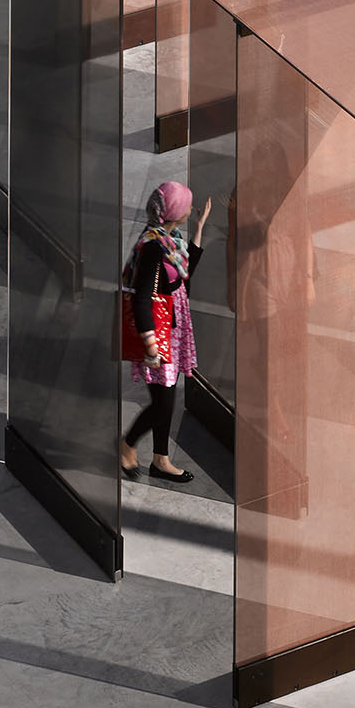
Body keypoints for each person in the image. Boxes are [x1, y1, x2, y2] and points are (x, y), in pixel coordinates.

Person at [120, 181, 212, 485]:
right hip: (159, 333)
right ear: (175, 211)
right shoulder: (153, 247)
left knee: (166, 398)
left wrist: (198, 231)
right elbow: (142, 297)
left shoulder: (171, 239)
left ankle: (160, 459)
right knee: (163, 402)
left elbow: (181, 280)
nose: (189, 209)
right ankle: (127, 445)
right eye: (187, 205)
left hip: (172, 327)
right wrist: (150, 345)